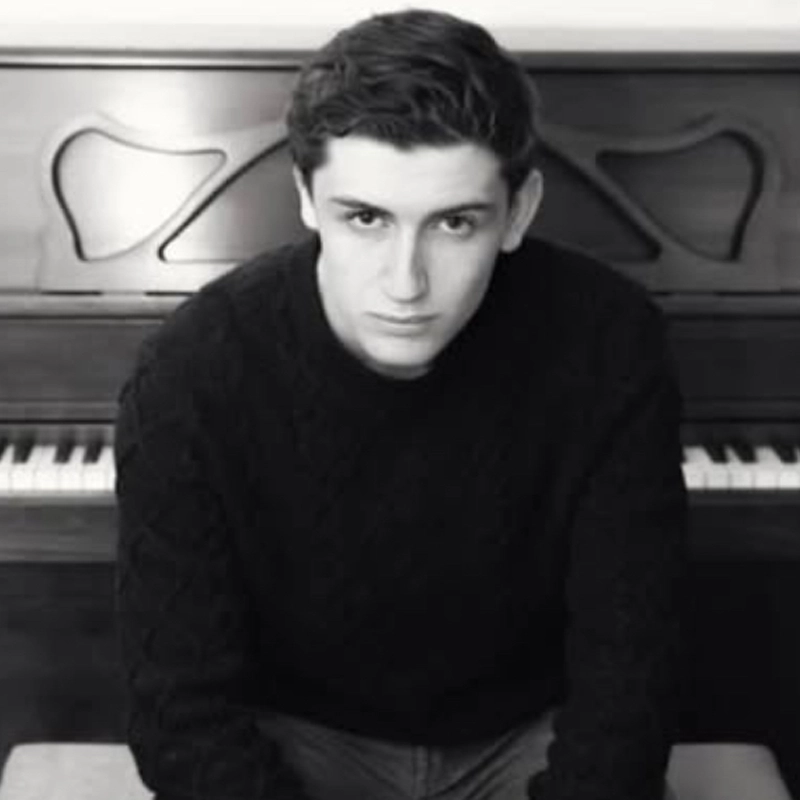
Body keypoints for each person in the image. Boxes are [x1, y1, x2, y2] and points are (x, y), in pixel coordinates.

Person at [114, 8, 687, 800]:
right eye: (365, 219)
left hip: (526, 733)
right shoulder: (190, 369)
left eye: (455, 223)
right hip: (302, 737)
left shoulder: (608, 340)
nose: (405, 283)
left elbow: (629, 676)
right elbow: (180, 714)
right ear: (308, 200)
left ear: (518, 212)